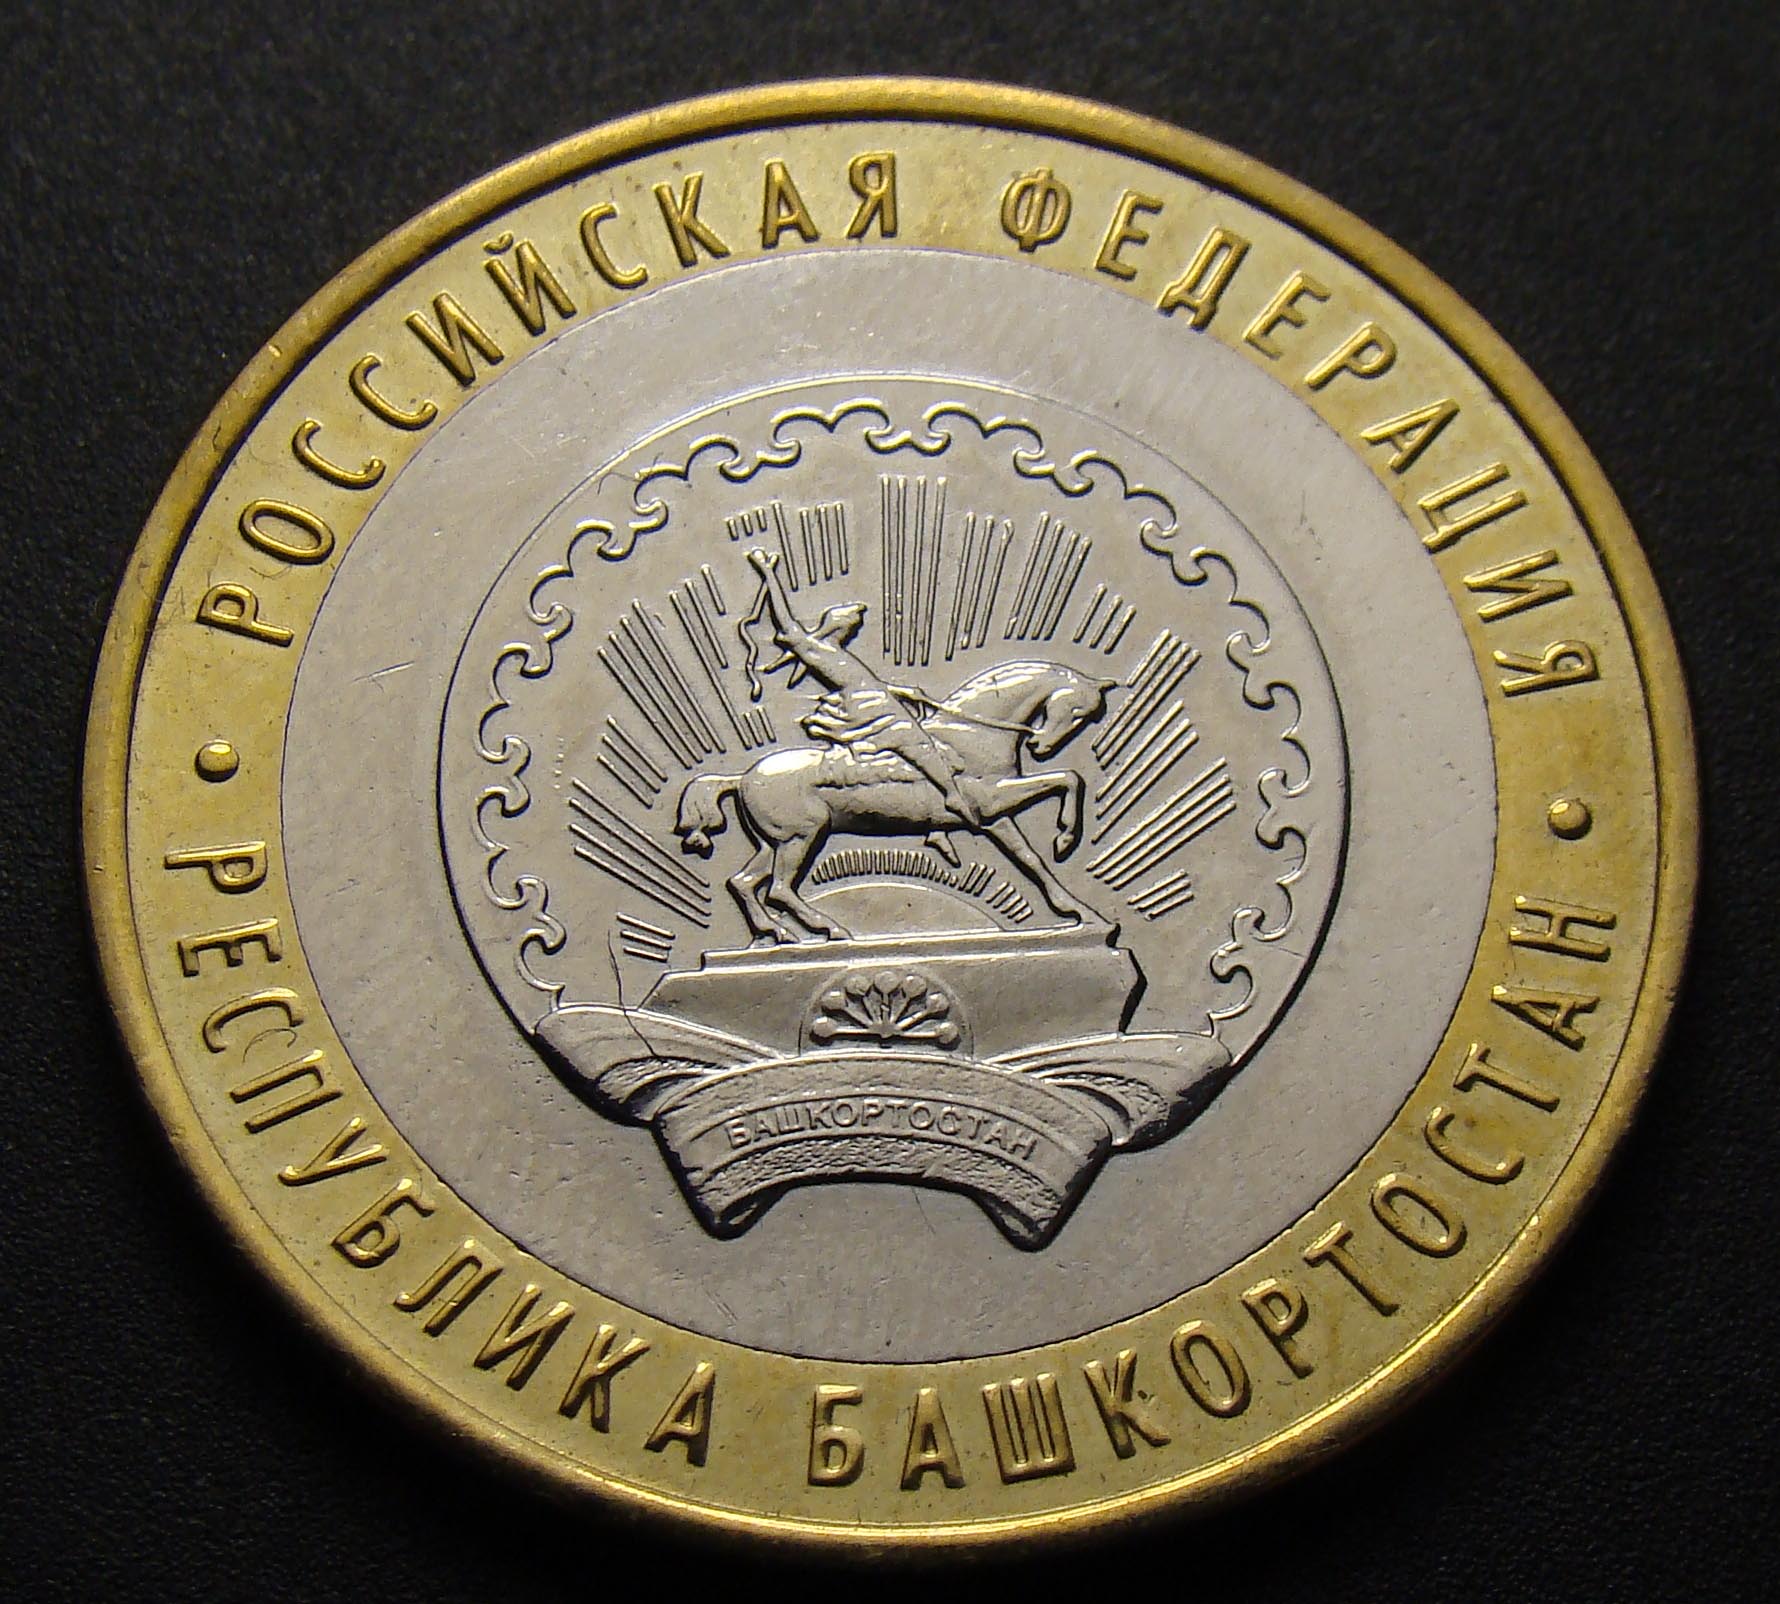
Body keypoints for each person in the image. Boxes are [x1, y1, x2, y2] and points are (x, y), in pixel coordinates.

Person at [743, 548, 981, 827]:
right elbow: (786, 622)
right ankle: (952, 795)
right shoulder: (813, 648)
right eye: (851, 627)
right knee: (914, 740)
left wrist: (903, 692)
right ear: (838, 625)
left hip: (873, 698)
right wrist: (768, 572)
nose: (853, 632)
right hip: (864, 706)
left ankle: (934, 811)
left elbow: (864, 681)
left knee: (920, 739)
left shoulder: (834, 651)